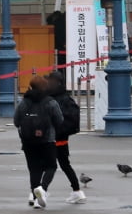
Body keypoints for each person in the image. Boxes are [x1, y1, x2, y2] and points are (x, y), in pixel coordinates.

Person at [14, 76, 64, 209]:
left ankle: (36, 199)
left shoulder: (24, 102)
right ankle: (43, 188)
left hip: (28, 141)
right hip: (47, 140)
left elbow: (16, 121)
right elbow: (59, 120)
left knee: (34, 169)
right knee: (51, 166)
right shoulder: (50, 102)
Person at [46, 71, 86, 204]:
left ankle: (41, 191)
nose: (48, 84)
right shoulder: (64, 97)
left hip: (53, 138)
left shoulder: (55, 99)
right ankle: (77, 191)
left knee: (48, 165)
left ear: (56, 82)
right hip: (62, 137)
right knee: (64, 165)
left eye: (50, 81)